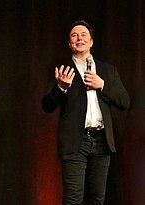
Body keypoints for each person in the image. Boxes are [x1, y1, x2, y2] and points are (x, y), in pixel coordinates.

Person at [41, 20, 130, 205]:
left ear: (91, 42)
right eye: (74, 35)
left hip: (102, 141)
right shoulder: (62, 70)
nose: (79, 38)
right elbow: (47, 105)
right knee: (73, 199)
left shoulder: (107, 70)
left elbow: (124, 101)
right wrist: (61, 88)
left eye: (83, 35)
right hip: (75, 141)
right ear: (69, 44)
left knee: (97, 199)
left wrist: (102, 85)